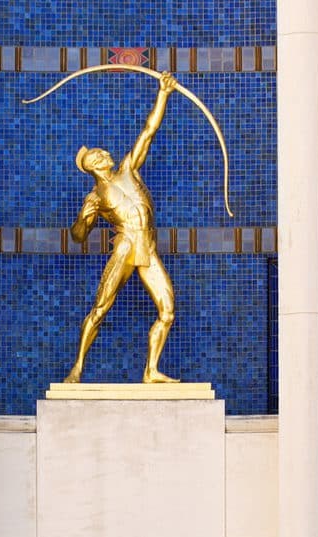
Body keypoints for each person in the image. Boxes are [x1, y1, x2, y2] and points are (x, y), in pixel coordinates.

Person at [63, 71, 180, 385]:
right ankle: (77, 368)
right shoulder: (96, 197)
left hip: (149, 246)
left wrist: (163, 94)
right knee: (101, 307)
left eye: (102, 152)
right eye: (99, 154)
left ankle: (151, 370)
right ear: (93, 165)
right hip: (125, 246)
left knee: (167, 310)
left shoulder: (129, 169)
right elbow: (77, 237)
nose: (105, 153)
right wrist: (83, 218)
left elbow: (148, 132)